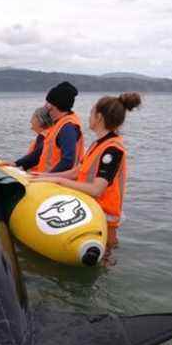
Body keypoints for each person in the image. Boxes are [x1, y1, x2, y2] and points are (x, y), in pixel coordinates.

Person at [32, 92, 142, 251]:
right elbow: (76, 172)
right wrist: (45, 176)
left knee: (106, 255)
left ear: (99, 117)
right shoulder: (98, 144)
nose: (88, 117)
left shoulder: (112, 150)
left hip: (105, 216)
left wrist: (60, 181)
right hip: (89, 210)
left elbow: (97, 189)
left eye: (91, 113)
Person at [27, 81, 85, 174]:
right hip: (49, 180)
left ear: (55, 105)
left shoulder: (68, 127)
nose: (45, 105)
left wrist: (46, 176)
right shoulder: (58, 124)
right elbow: (38, 154)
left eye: (48, 103)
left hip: (57, 183)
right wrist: (16, 163)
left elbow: (68, 161)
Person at [12, 106, 53, 171]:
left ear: (40, 120)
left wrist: (15, 164)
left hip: (40, 176)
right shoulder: (50, 134)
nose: (31, 121)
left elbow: (35, 157)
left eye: (33, 117)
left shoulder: (44, 137)